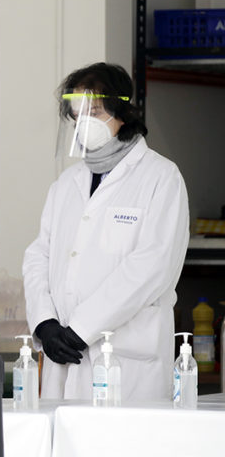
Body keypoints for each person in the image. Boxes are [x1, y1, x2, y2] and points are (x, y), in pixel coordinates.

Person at [22, 62, 189, 401]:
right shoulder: (67, 184)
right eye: (77, 115)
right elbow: (40, 256)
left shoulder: (160, 178)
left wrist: (82, 329)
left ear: (122, 112)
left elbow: (150, 267)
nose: (84, 124)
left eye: (94, 112)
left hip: (127, 360)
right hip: (64, 359)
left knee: (123, 451)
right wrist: (45, 323)